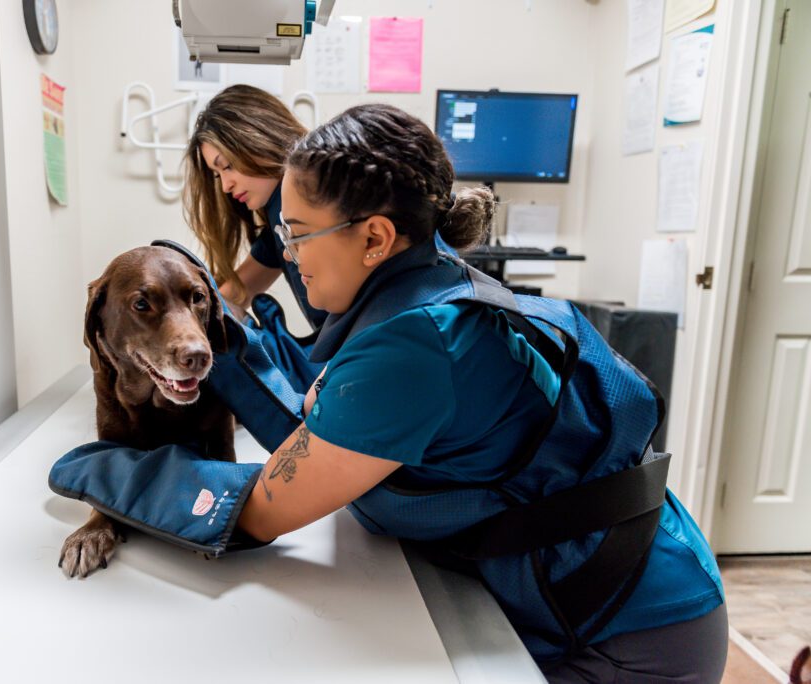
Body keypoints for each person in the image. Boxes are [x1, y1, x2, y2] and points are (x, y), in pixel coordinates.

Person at [51, 103, 727, 682]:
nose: (287, 255)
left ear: (374, 237)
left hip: (631, 638)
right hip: (625, 584)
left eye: (297, 234)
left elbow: (257, 511)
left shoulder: (413, 344)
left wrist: (102, 472)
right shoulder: (430, 287)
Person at [183, 84, 325, 330]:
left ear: (258, 139)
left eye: (227, 166)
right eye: (217, 175)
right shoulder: (277, 223)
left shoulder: (316, 199)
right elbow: (232, 296)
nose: (226, 186)